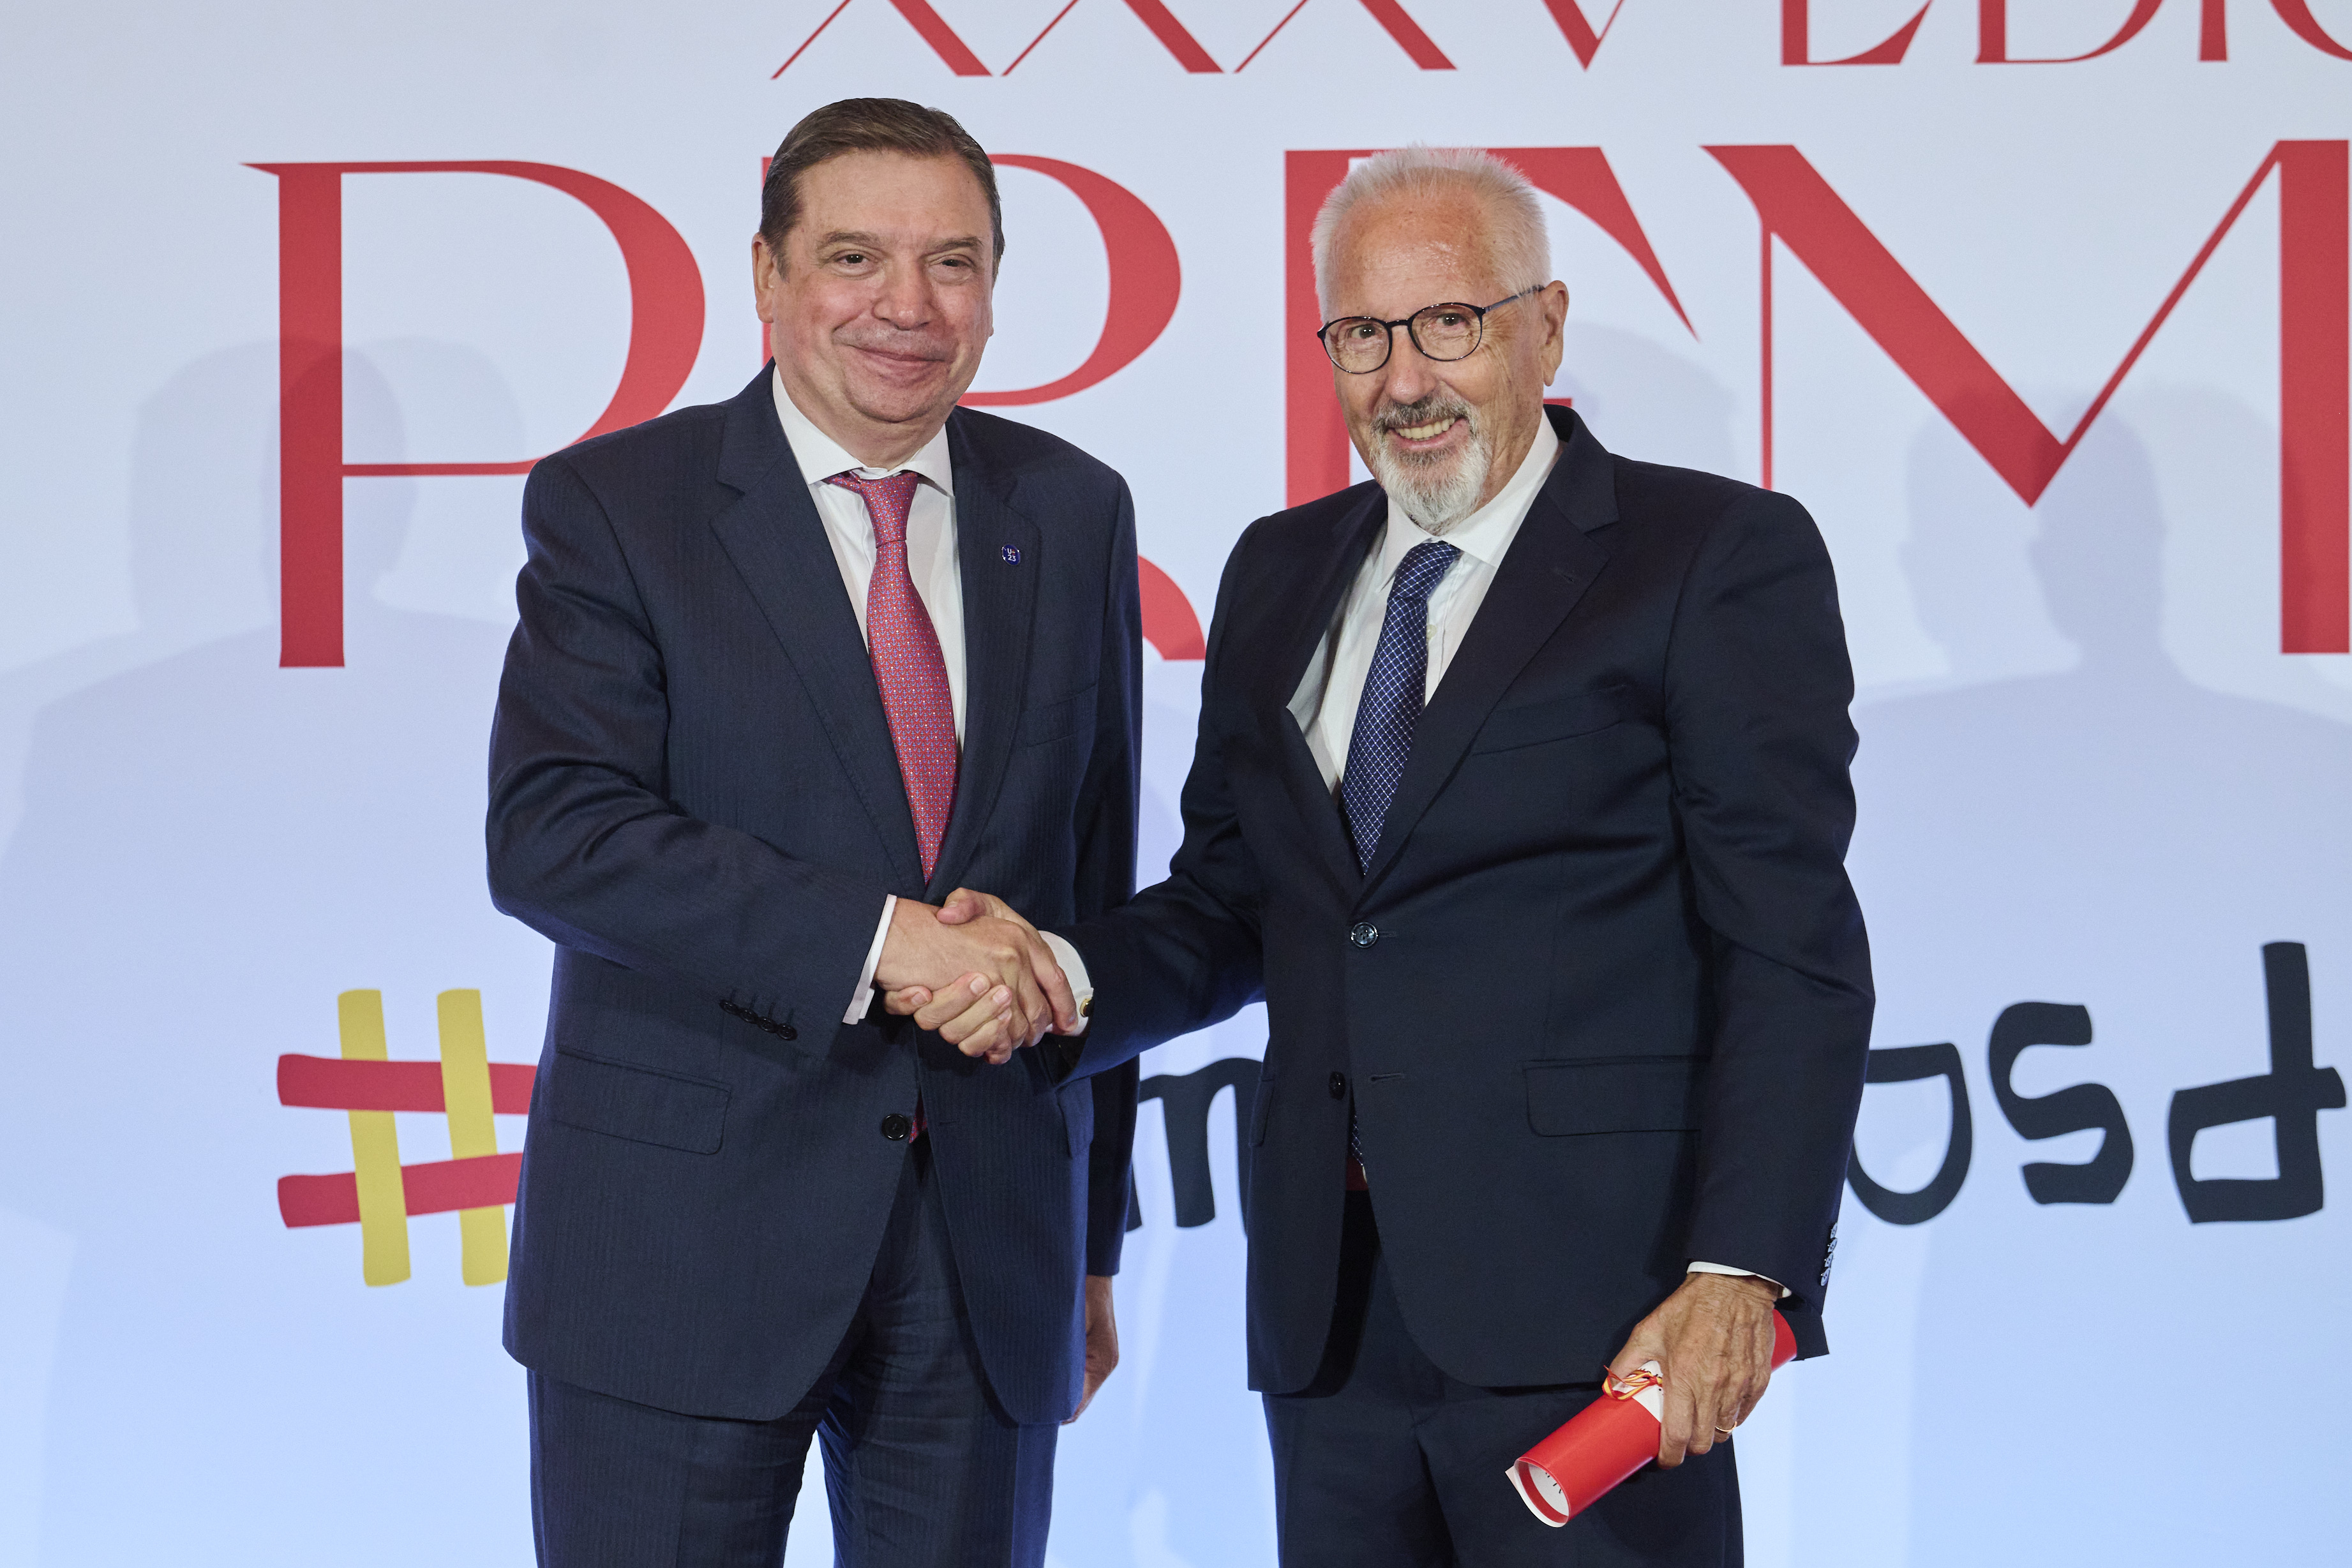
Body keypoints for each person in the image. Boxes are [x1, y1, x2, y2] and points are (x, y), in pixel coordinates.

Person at [901, 146, 1874, 1566]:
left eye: (1448, 323)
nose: (1404, 379)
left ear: (1544, 327)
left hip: (1603, 1317)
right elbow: (1235, 903)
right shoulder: (1277, 568)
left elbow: (1788, 948)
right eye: (1361, 334)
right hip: (1330, 1318)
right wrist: (1051, 968)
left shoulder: (1711, 554)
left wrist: (1742, 1269)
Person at [486, 97, 1136, 1567]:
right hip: (679, 1248)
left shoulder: (1074, 510)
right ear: (768, 276)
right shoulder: (621, 504)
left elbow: (1088, 892)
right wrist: (880, 939)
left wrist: (1091, 1240)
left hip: (986, 1255)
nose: (909, 305)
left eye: (954, 262)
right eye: (855, 257)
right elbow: (556, 832)